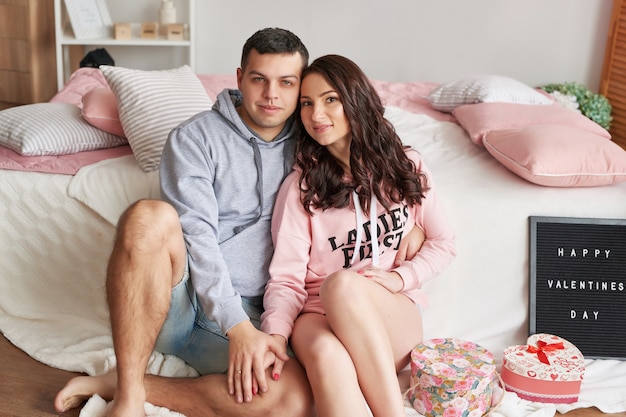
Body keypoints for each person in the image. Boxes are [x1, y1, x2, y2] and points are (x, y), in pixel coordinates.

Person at [54, 30, 424, 417]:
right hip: (182, 303)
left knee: (293, 398)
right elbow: (196, 236)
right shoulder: (195, 137)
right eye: (258, 79)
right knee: (148, 216)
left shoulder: (314, 138)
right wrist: (238, 329)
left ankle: (131, 384)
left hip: (260, 313)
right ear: (239, 77)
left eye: (287, 83)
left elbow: (375, 164)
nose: (271, 95)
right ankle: (129, 396)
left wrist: (411, 222)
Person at [254, 55, 457, 417]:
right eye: (306, 103)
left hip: (388, 315)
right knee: (324, 351)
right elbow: (286, 280)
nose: (317, 114)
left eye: (330, 99)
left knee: (342, 285)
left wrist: (400, 278)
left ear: (355, 100)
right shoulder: (301, 189)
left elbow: (445, 243)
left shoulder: (405, 167)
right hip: (317, 317)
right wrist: (275, 335)